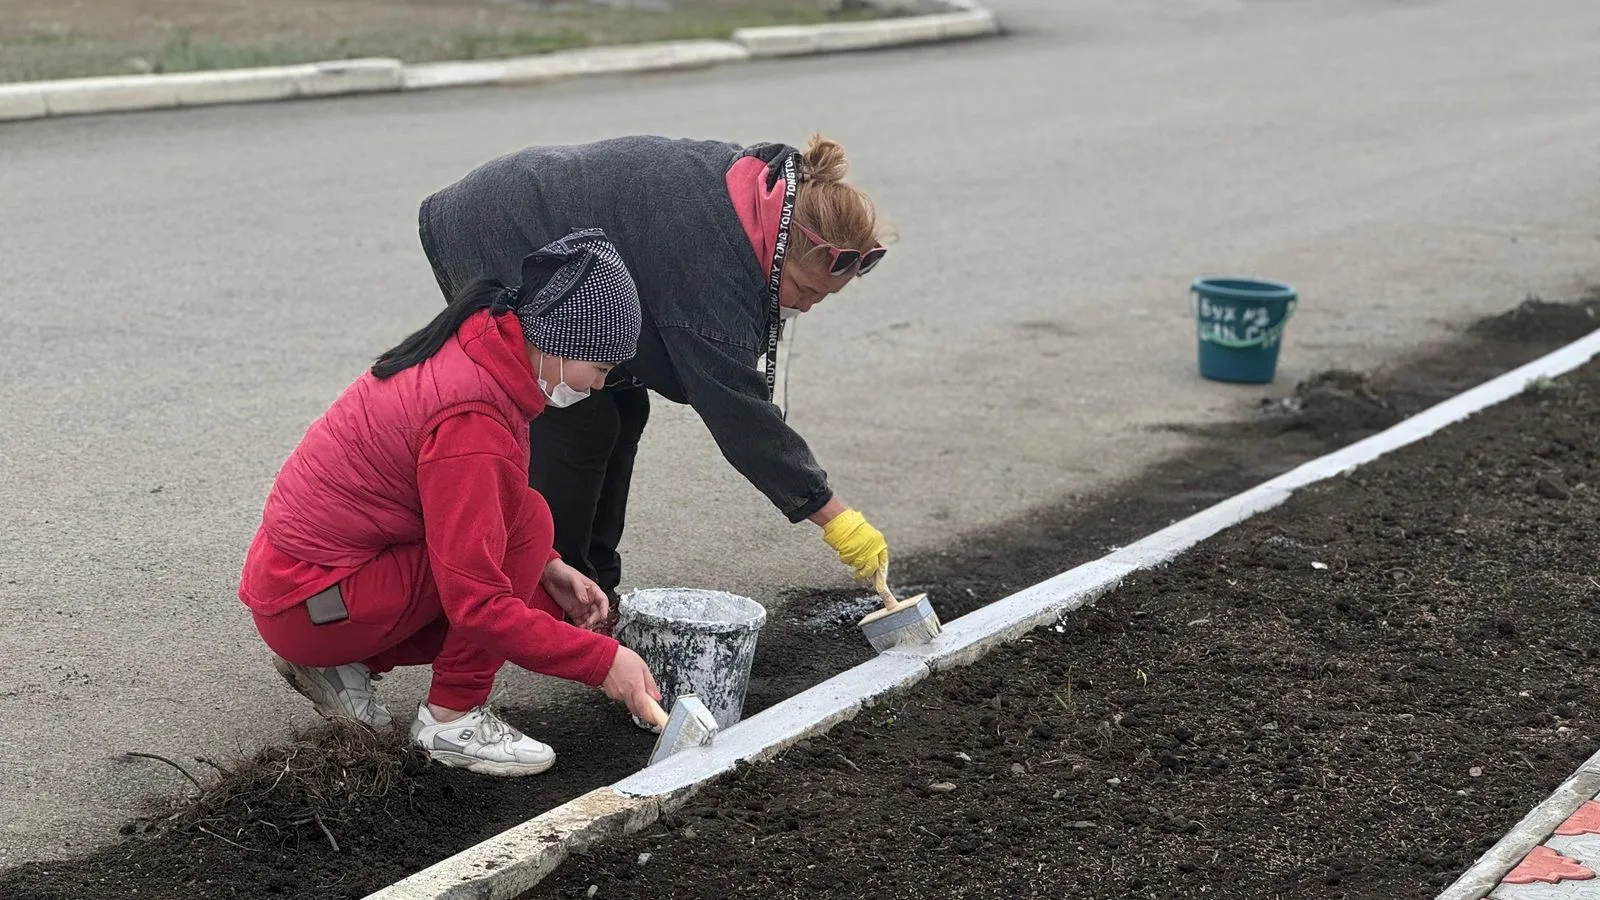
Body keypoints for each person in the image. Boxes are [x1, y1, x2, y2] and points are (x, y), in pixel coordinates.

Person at [238, 229, 664, 777]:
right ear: (559, 343)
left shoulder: (483, 347)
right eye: (601, 370)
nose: (602, 387)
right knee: (511, 556)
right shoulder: (473, 419)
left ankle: (345, 665)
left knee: (529, 535)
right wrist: (607, 663)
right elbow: (477, 606)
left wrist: (549, 566)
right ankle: (452, 718)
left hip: (306, 586)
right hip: (311, 602)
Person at [416, 134, 895, 617]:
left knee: (624, 404)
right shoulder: (716, 261)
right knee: (579, 419)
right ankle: (555, 600)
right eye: (806, 289)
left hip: (542, 211)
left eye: (821, 298)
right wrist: (834, 516)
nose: (806, 306)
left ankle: (596, 584)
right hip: (501, 227)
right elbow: (738, 412)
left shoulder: (768, 193)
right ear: (782, 248)